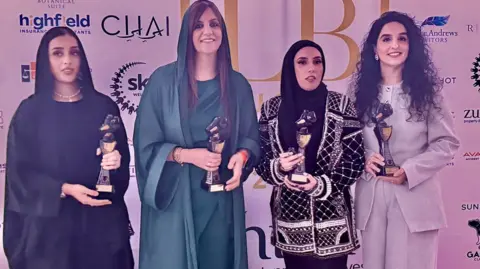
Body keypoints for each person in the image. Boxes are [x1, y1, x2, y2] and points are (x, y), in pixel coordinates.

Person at [133, 1, 260, 269]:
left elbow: (250, 137)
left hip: (220, 202)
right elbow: (145, 144)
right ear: (186, 34)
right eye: (198, 25)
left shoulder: (238, 85)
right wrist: (186, 155)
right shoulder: (162, 82)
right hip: (176, 201)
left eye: (214, 24)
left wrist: (242, 156)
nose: (208, 31)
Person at [2, 26, 134, 269]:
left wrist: (115, 162)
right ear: (45, 60)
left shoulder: (103, 107)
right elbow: (20, 176)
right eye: (58, 53)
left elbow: (120, 167)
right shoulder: (30, 113)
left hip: (99, 230)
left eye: (74, 53)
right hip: (50, 237)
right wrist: (64, 189)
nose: (67, 61)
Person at [351, 11, 460, 269]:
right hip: (372, 200)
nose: (395, 45)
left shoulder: (428, 93)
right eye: (386, 39)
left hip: (415, 200)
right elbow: (350, 142)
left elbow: (447, 143)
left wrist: (409, 171)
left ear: (411, 47)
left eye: (402, 39)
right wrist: (367, 158)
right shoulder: (359, 93)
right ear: (375, 49)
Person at [254, 40, 365, 269]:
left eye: (317, 61)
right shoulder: (270, 110)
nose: (311, 68)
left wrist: (321, 184)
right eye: (302, 62)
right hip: (290, 220)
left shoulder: (341, 105)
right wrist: (279, 168)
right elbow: (260, 160)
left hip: (332, 220)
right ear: (290, 67)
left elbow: (356, 160)